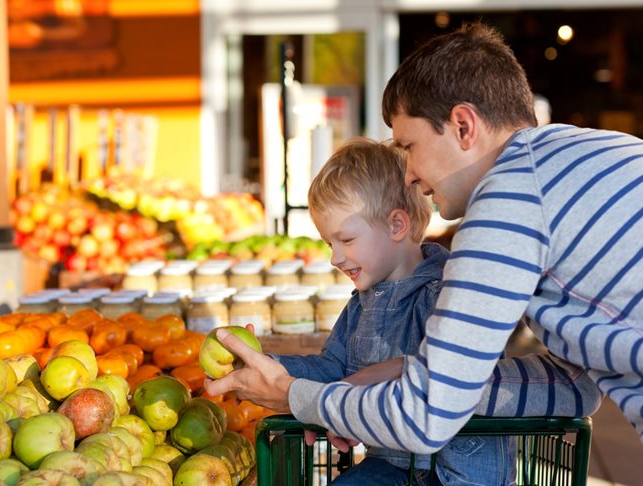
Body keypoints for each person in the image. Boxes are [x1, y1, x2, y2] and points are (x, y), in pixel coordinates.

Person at [206, 22, 634, 456]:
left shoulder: (511, 195)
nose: (408, 173)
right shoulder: (592, 154)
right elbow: (575, 386)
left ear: (463, 126)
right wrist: (412, 371)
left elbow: (423, 420)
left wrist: (295, 395)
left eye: (408, 145)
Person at [271, 137, 516, 485]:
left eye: (347, 240)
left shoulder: (445, 294)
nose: (335, 257)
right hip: (395, 463)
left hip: (458, 472)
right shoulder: (360, 305)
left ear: (396, 225)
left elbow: (443, 373)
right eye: (329, 244)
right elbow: (333, 368)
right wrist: (272, 367)